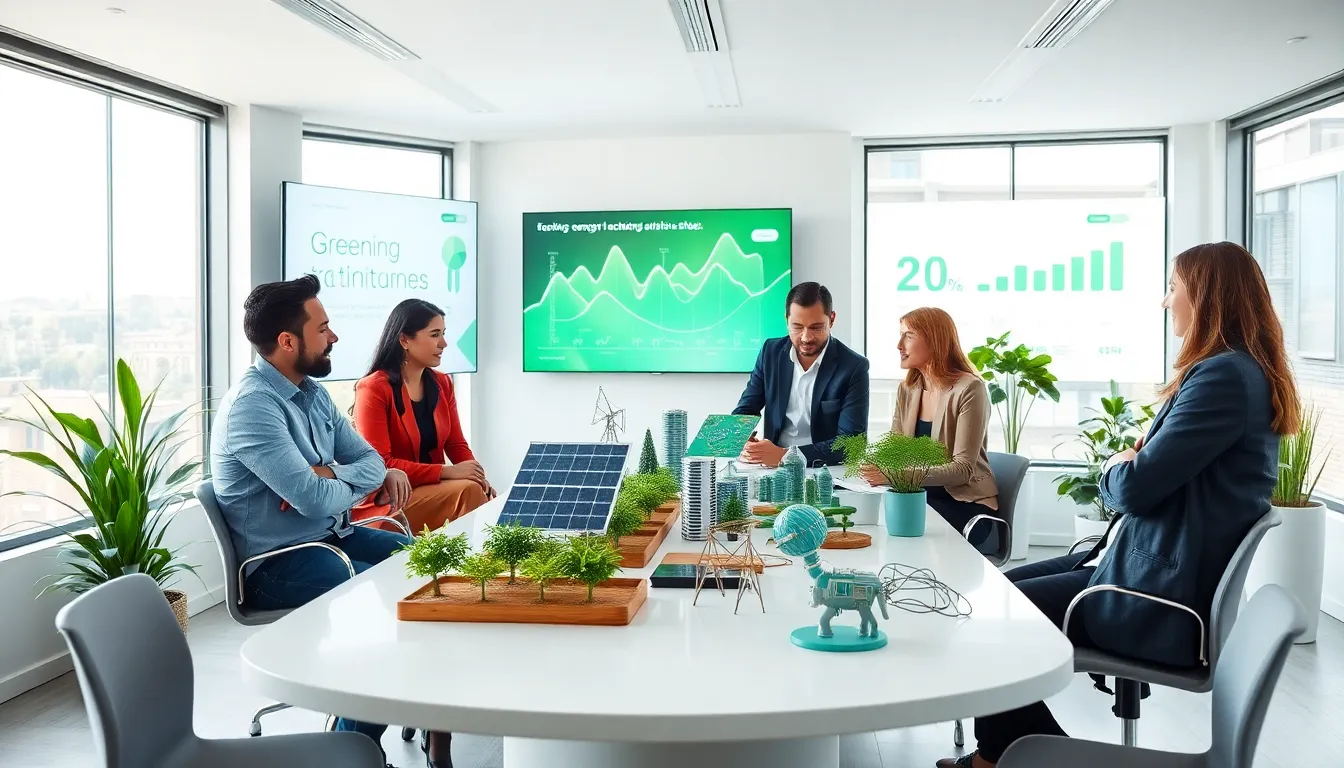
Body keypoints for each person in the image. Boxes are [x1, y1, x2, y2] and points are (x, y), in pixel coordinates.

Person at [938, 241, 1300, 768]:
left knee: (991, 617)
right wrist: (1131, 461)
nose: (1165, 302)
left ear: (1204, 297)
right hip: (1131, 561)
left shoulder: (1223, 377)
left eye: (1173, 288)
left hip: (1153, 596)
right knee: (994, 594)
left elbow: (1132, 488)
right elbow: (1149, 478)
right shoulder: (1237, 373)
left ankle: (1001, 758)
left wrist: (1116, 466)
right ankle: (1018, 751)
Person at [210, 275, 449, 768]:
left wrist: (329, 474)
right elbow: (316, 498)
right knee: (385, 613)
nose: (334, 337)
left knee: (434, 573)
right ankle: (352, 748)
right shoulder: (253, 410)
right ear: (287, 341)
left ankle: (425, 717)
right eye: (324, 328)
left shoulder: (312, 392)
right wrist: (331, 483)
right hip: (279, 564)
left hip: (331, 536)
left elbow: (371, 462)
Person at [862, 307, 999, 552]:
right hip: (921, 498)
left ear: (934, 341)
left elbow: (962, 470)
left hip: (964, 505)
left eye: (908, 335)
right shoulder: (908, 389)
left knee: (899, 535)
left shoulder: (970, 389)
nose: (898, 345)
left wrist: (895, 474)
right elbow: (895, 450)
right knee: (874, 525)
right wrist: (872, 466)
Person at [353, 299, 492, 532]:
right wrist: (448, 472)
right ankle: (475, 566)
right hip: (388, 501)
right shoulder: (373, 387)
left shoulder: (442, 383)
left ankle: (468, 566)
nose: (444, 343)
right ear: (404, 340)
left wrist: (477, 475)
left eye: (443, 334)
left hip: (433, 489)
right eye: (435, 334)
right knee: (468, 492)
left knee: (476, 489)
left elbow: (456, 443)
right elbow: (380, 464)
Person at [732, 282, 870, 467]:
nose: (806, 337)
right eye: (797, 327)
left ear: (832, 319)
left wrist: (786, 456)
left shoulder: (853, 367)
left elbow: (851, 444)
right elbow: (746, 408)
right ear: (786, 319)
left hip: (824, 471)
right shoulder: (770, 353)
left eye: (816, 327)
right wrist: (742, 437)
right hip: (772, 470)